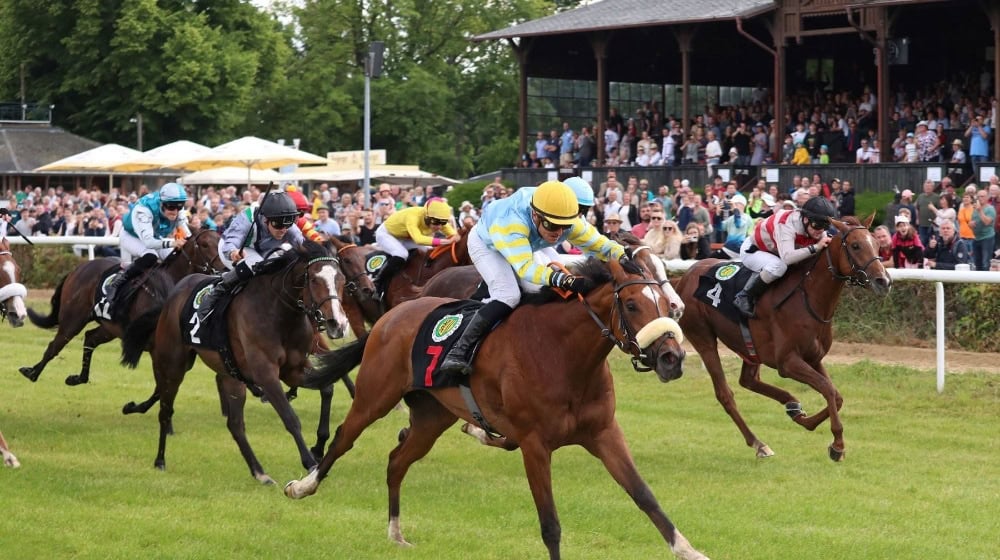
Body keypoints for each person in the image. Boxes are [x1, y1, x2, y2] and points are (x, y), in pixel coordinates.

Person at [438, 181, 637, 375]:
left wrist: (623, 255)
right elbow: (525, 268)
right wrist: (564, 280)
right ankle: (459, 350)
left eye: (564, 227)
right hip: (487, 242)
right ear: (535, 214)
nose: (558, 233)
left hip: (527, 241)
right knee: (508, 295)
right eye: (552, 226)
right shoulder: (513, 223)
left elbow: (599, 244)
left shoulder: (561, 217)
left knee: (537, 289)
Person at [196, 191, 303, 322]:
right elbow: (231, 243)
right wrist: (233, 253)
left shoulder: (286, 225)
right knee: (256, 264)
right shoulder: (247, 219)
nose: (283, 230)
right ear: (265, 219)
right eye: (278, 225)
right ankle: (216, 293)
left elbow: (303, 247)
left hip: (263, 250)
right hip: (235, 248)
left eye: (288, 224)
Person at [733, 196, 838, 317]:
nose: (821, 231)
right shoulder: (786, 225)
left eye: (825, 226)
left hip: (774, 250)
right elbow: (787, 258)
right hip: (753, 251)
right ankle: (745, 296)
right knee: (779, 266)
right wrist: (816, 247)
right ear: (805, 219)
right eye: (818, 225)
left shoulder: (812, 225)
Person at [106, 183, 190, 302]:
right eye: (171, 207)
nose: (175, 211)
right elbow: (149, 243)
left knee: (176, 257)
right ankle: (118, 281)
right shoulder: (144, 210)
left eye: (180, 206)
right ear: (162, 203)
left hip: (154, 236)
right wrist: (173, 243)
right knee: (151, 256)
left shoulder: (175, 207)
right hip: (131, 236)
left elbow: (187, 233)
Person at [372, 198, 459, 299]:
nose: (439, 226)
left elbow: (454, 235)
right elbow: (418, 239)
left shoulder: (435, 217)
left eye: (443, 222)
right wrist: (443, 241)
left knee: (428, 250)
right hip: (387, 234)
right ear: (427, 216)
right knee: (402, 254)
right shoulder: (413, 216)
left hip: (405, 237)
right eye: (435, 222)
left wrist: (455, 237)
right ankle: (377, 282)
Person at [971, 189, 996, 271]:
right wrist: (970, 224)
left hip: (987, 238)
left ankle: (986, 282)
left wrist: (980, 210)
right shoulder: (975, 209)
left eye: (982, 196)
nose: (980, 198)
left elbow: (987, 222)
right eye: (978, 196)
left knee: (985, 262)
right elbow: (972, 221)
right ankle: (978, 282)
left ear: (987, 197)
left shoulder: (990, 209)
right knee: (977, 262)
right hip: (976, 238)